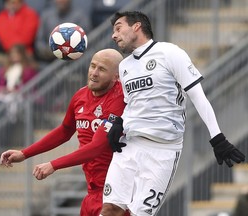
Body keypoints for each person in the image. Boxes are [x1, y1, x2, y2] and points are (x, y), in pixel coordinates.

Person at [100, 11, 246, 216]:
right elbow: (131, 103)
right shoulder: (124, 67)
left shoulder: (169, 53)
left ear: (136, 26)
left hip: (163, 150)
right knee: (109, 209)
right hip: (130, 146)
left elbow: (198, 96)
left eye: (118, 28)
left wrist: (217, 137)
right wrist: (119, 124)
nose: (114, 35)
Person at [0, 49, 130, 216]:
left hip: (116, 195)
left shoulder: (120, 99)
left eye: (102, 69)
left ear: (116, 77)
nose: (94, 73)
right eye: (92, 66)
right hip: (92, 194)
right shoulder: (80, 96)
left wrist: (53, 165)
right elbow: (64, 131)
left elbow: (97, 147)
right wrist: (24, 153)